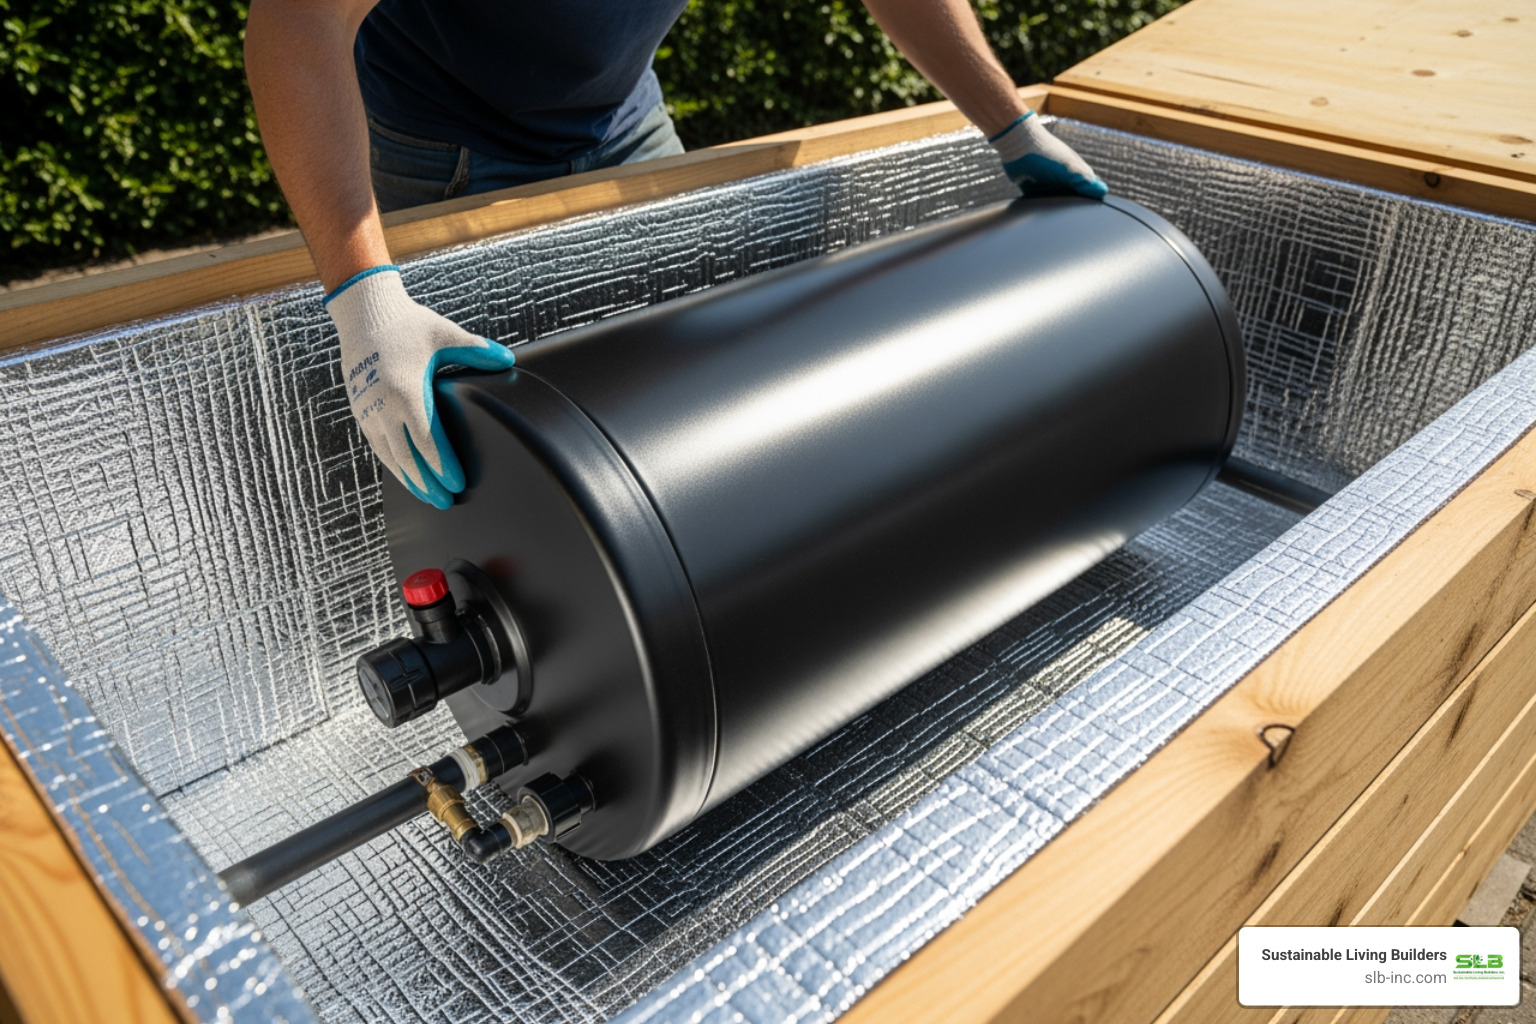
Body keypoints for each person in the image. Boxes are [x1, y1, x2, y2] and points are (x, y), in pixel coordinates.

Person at [243, 0, 1108, 509]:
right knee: (459, 437)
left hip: (620, 120)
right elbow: (296, 24)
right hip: (441, 142)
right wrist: (364, 296)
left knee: (669, 396)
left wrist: (1012, 125)